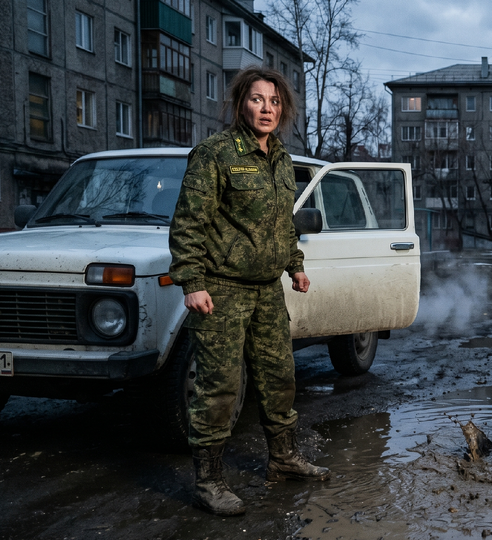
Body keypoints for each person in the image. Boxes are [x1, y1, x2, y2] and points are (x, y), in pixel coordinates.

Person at [168, 66, 329, 516]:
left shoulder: (280, 157)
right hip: (221, 290)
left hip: (266, 291)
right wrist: (192, 282)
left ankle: (283, 458)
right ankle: (209, 481)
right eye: (258, 99)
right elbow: (188, 223)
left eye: (275, 102)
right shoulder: (216, 153)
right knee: (219, 386)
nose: (267, 109)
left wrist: (294, 267)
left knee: (280, 378)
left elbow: (283, 223)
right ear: (241, 103)